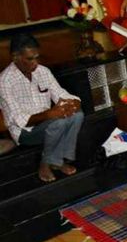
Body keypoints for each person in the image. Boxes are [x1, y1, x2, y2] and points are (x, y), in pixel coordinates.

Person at [0, 33, 84, 183]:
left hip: (48, 122)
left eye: (37, 57)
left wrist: (73, 102)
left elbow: (61, 94)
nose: (35, 63)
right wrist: (50, 114)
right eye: (30, 59)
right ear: (15, 57)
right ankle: (45, 163)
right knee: (58, 122)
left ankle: (56, 161)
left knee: (77, 115)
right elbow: (20, 121)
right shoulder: (5, 81)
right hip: (24, 132)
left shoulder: (42, 71)